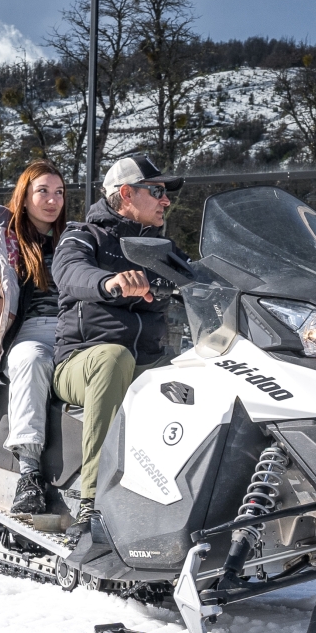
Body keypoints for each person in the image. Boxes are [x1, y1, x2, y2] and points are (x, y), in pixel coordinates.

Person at [52, 154, 188, 527]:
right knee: (114, 358)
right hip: (80, 363)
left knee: (200, 375)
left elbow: (206, 278)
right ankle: (92, 501)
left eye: (166, 194)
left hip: (145, 362)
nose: (166, 201)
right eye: (157, 191)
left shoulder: (163, 251)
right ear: (126, 193)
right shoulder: (83, 236)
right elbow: (70, 272)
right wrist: (108, 282)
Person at [0, 159, 68, 516]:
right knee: (32, 361)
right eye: (43, 191)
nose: (52, 200)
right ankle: (30, 475)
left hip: (75, 333)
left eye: (60, 192)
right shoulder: (1, 244)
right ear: (24, 196)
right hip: (28, 333)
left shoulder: (75, 241)